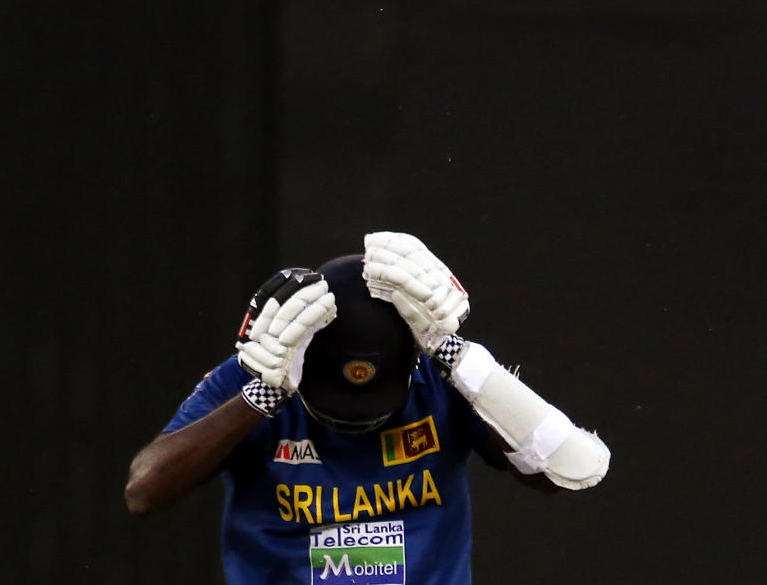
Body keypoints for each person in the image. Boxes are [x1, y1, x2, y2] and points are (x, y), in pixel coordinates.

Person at [125, 232, 610, 585]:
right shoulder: (257, 373)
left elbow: (558, 475)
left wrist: (458, 358)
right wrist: (259, 398)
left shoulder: (443, 378)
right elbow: (143, 493)